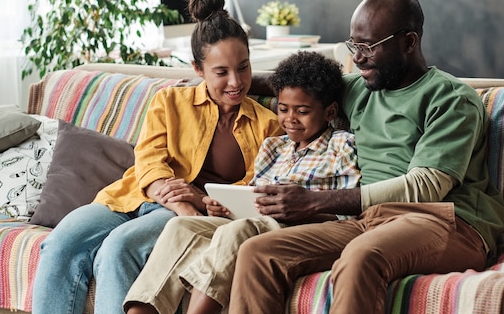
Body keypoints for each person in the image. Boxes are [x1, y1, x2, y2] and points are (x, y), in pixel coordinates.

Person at [226, 0, 504, 314]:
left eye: (367, 47)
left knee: (361, 255)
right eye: (353, 45)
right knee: (258, 252)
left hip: (446, 221)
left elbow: (426, 186)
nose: (357, 57)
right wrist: (225, 82)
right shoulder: (362, 88)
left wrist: (315, 201)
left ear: (409, 42)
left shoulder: (449, 98)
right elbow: (294, 84)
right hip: (368, 220)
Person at [31, 0, 283, 314]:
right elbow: (148, 159)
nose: (236, 81)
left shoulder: (268, 126)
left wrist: (196, 198)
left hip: (181, 217)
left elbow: (251, 191)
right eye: (221, 72)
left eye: (244, 68)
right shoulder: (169, 102)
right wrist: (179, 199)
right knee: (59, 245)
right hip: (132, 196)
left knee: (117, 249)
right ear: (197, 68)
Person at [124, 51, 361, 314]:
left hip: (300, 229)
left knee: (235, 232)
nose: (290, 119)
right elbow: (251, 196)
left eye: (302, 111)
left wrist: (305, 207)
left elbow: (347, 211)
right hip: (255, 222)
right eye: (283, 109)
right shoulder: (273, 146)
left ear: (330, 112)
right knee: (181, 226)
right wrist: (222, 207)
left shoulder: (341, 145)